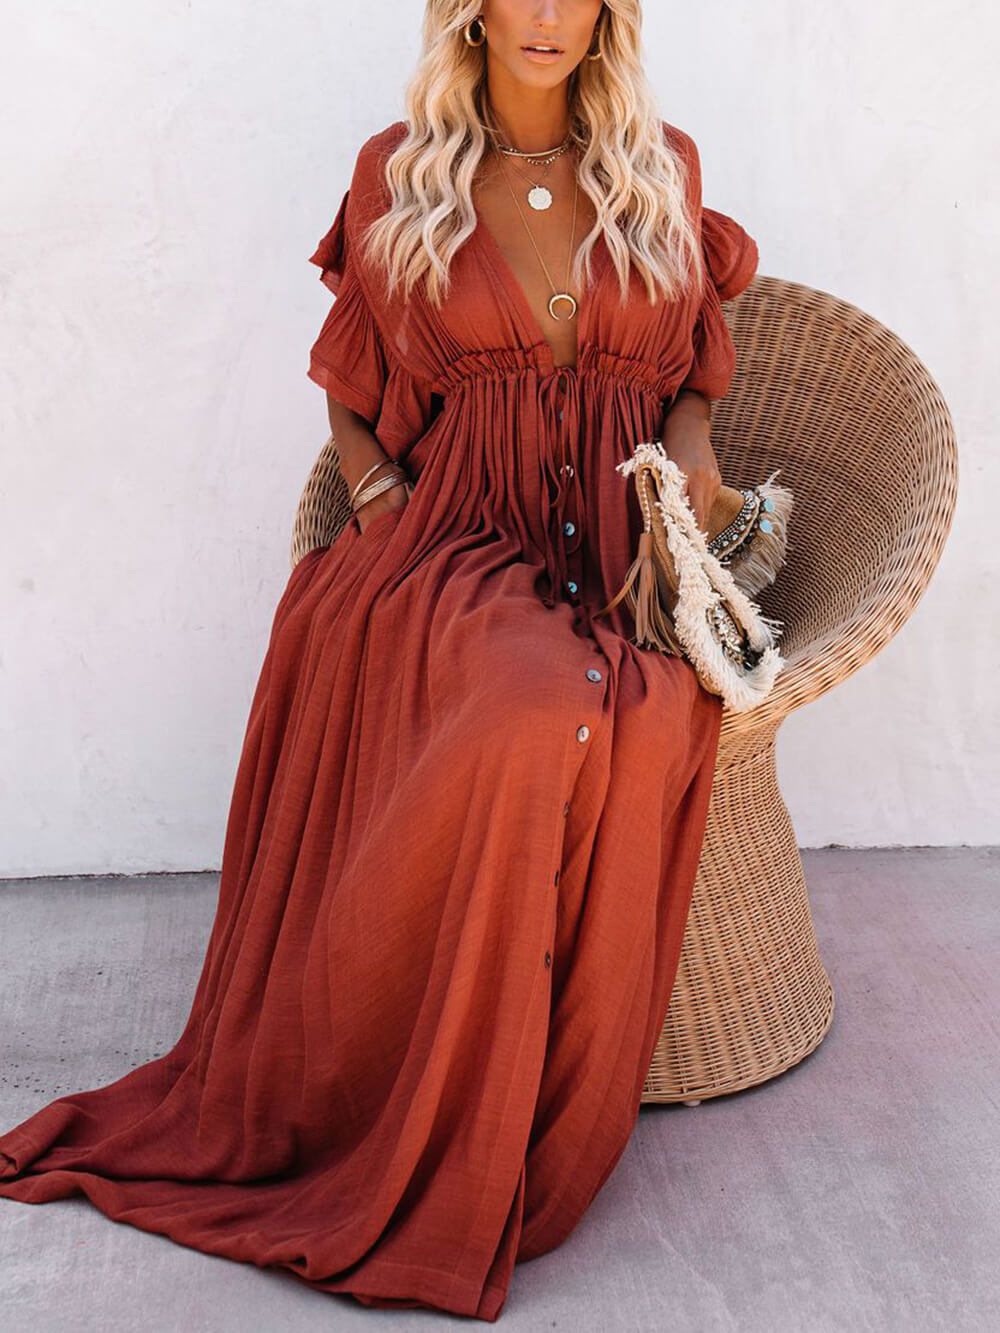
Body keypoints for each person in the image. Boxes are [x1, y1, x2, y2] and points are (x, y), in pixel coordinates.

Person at [0, 0, 759, 1322]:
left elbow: (693, 356)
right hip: (455, 548)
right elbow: (351, 393)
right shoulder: (398, 173)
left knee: (624, 708)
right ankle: (402, 1097)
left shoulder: (662, 164)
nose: (544, 15)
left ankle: (515, 1097)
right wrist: (374, 501)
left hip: (621, 554)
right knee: (533, 710)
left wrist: (691, 437)